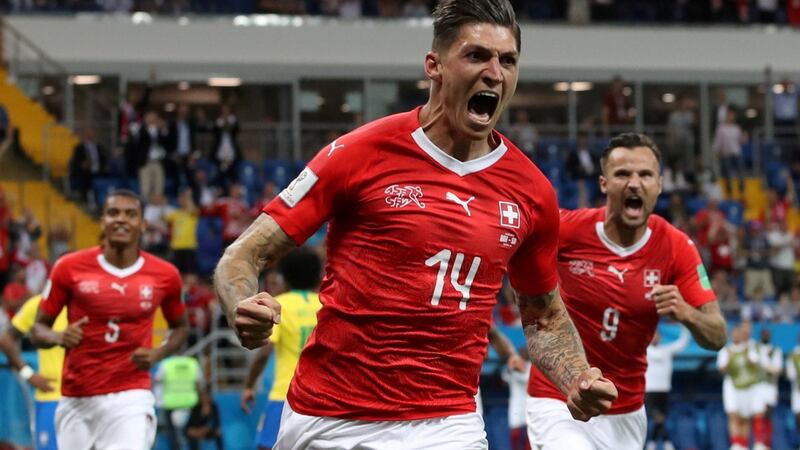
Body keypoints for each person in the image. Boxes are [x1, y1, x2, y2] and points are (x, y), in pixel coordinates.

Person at [214, 1, 617, 449]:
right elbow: (242, 256)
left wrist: (576, 377)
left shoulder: (531, 191)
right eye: (476, 55)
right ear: (434, 66)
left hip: (448, 424)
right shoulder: (358, 153)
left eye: (507, 60)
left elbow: (543, 318)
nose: (494, 72)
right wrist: (241, 305)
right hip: (329, 418)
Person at [526, 133, 727, 450]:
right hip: (561, 399)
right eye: (623, 174)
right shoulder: (567, 230)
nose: (635, 183)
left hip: (627, 411)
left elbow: (717, 336)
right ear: (604, 183)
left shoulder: (676, 247)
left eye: (645, 175)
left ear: (659, 184)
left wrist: (686, 313)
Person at [31, 189, 189, 450]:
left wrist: (158, 353)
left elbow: (181, 327)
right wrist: (59, 337)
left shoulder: (166, 274)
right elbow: (37, 329)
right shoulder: (68, 267)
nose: (121, 220)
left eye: (130, 214)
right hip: (77, 396)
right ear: (102, 221)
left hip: (131, 395)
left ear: (143, 223)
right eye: (113, 213)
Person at [240, 247, 323, 450]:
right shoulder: (326, 306)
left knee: (266, 446)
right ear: (317, 277)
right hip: (320, 398)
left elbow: (264, 353)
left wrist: (249, 385)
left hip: (285, 395)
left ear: (284, 278)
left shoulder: (279, 305)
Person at [1, 295, 64, 450]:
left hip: (90, 396)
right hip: (51, 396)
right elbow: (6, 339)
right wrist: (28, 374)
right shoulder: (38, 304)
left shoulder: (93, 301)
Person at [718, 322, 767, 450]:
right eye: (733, 334)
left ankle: (745, 445)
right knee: (733, 415)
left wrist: (747, 355)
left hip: (747, 386)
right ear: (730, 335)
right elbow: (722, 369)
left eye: (738, 333)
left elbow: (755, 364)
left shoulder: (750, 347)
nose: (736, 336)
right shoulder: (726, 350)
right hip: (733, 387)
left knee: (745, 417)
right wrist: (729, 358)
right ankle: (736, 444)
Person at [644, 327, 690, 450]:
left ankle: (653, 443)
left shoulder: (666, 350)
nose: (655, 337)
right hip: (650, 390)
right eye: (653, 335)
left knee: (662, 418)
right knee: (657, 417)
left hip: (664, 389)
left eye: (657, 335)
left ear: (661, 337)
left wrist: (685, 327)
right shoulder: (645, 351)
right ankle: (666, 442)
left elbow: (682, 343)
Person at [154, 355, 203, 450]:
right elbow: (199, 384)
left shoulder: (166, 364)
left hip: (170, 404)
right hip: (190, 403)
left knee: (172, 435)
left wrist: (158, 401)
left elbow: (158, 381)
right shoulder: (193, 363)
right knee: (191, 433)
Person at [757, 328, 783, 450]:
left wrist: (766, 365)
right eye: (763, 334)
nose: (765, 336)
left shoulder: (776, 351)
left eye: (767, 334)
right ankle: (760, 442)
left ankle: (767, 443)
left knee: (768, 415)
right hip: (758, 387)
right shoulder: (756, 349)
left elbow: (777, 370)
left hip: (771, 387)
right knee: (758, 414)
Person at [502, 344, 531, 450]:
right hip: (516, 405)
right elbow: (504, 378)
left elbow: (526, 378)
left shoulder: (531, 367)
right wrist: (512, 369)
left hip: (529, 404)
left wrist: (518, 369)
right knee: (515, 434)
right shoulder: (512, 367)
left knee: (530, 435)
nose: (523, 355)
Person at [185, 385, 223, 450]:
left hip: (208, 430)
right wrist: (202, 415)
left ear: (209, 396)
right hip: (196, 430)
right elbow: (192, 423)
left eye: (206, 395)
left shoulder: (213, 406)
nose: (204, 398)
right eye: (202, 395)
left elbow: (216, 422)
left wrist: (208, 428)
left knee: (218, 433)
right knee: (191, 434)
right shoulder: (196, 408)